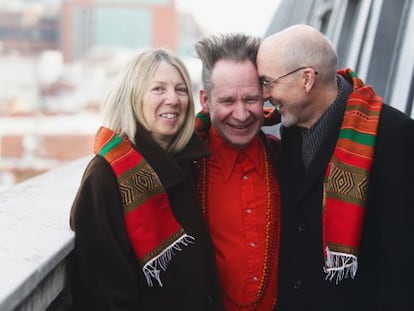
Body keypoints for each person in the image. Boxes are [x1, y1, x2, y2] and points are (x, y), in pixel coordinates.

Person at [256, 24, 414, 311]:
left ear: (306, 80)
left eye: (268, 82)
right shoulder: (289, 131)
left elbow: (403, 262)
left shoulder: (393, 135)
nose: (264, 95)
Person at [68, 48, 224, 310]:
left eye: (181, 89)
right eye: (158, 89)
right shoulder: (107, 177)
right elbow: (101, 292)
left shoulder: (190, 165)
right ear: (132, 98)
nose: (173, 99)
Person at [194, 33, 281, 311]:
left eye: (251, 99)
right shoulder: (183, 169)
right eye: (228, 101)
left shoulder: (290, 160)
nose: (242, 115)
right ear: (205, 100)